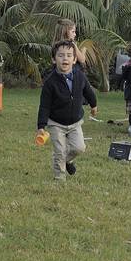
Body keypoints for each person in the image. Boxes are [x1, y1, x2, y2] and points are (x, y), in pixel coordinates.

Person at [36, 40, 98, 181]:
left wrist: (94, 105)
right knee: (59, 150)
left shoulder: (80, 76)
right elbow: (44, 105)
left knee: (79, 148)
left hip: (75, 122)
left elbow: (88, 91)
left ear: (74, 59)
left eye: (69, 55)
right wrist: (41, 125)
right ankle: (59, 177)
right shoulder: (50, 82)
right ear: (54, 59)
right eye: (61, 55)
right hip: (56, 123)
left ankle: (67, 160)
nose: (65, 58)